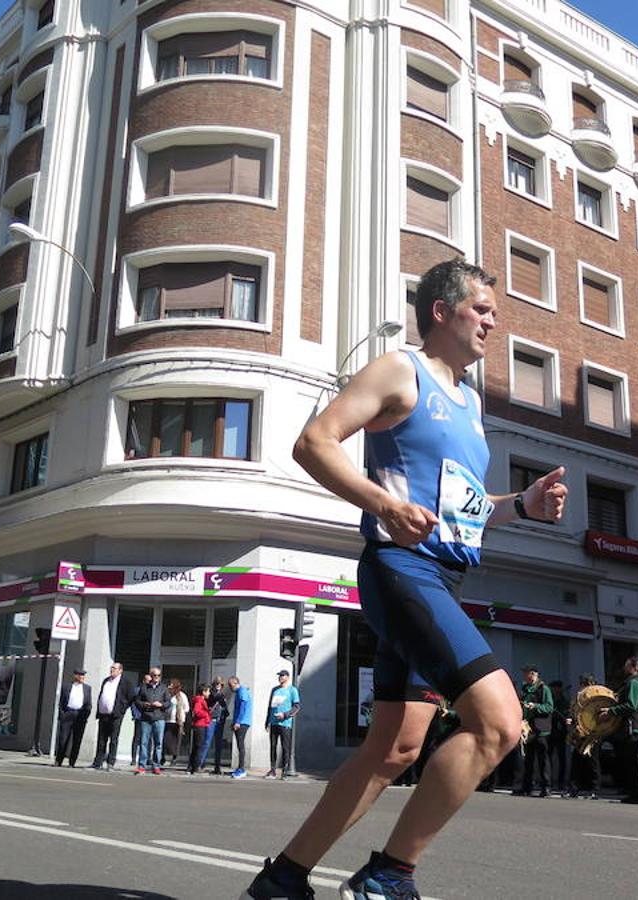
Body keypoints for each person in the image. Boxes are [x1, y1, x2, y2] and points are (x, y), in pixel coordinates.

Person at [242, 259, 567, 900]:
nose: (492, 323)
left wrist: (522, 505)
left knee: (394, 749)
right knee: (499, 723)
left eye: (494, 313)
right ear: (441, 311)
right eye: (482, 310)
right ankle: (390, 874)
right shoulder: (399, 370)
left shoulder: (472, 403)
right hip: (401, 571)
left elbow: (463, 508)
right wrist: (382, 503)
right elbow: (315, 442)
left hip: (446, 577)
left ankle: (284, 879)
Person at [600, 657, 638, 804]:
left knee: (633, 763)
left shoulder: (634, 682)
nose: (624, 667)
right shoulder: (636, 682)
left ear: (634, 667)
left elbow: (631, 706)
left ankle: (637, 794)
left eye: (626, 664)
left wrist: (610, 711)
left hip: (633, 727)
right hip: (635, 727)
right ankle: (634, 792)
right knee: (631, 762)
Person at [514, 664, 554, 797]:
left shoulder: (544, 688)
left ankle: (546, 788)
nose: (524, 675)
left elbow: (549, 707)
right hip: (528, 730)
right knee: (528, 759)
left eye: (526, 673)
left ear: (533, 674)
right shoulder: (525, 688)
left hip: (541, 729)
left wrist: (535, 706)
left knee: (543, 759)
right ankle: (526, 787)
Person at [91, 662, 136, 770]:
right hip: (103, 714)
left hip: (115, 715)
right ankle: (98, 761)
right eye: (111, 668)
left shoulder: (126, 682)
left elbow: (131, 697)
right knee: (101, 739)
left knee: (113, 739)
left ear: (120, 670)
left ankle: (111, 762)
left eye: (114, 668)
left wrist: (122, 709)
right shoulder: (106, 681)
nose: (112, 670)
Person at [566, 674, 602, 799]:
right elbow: (572, 711)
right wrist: (570, 719)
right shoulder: (578, 697)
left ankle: (595, 789)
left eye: (584, 683)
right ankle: (573, 788)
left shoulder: (597, 697)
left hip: (593, 733)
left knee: (592, 762)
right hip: (579, 733)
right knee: (576, 761)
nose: (582, 686)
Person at [266, 669, 301, 778]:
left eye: (282, 675)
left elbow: (297, 707)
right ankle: (272, 769)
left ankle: (285, 770)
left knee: (285, 747)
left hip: (285, 723)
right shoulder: (274, 690)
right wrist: (267, 721)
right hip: (274, 722)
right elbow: (270, 706)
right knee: (273, 746)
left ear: (287, 677)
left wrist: (285, 715)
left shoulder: (292, 690)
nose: (280, 677)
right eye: (279, 676)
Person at [134, 666, 170, 775]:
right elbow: (137, 701)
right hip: (146, 717)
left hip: (159, 718)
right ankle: (142, 766)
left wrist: (161, 705)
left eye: (159, 675)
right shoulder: (144, 687)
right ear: (151, 676)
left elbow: (168, 703)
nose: (157, 677)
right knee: (144, 742)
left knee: (158, 743)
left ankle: (156, 766)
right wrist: (144, 705)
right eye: (155, 675)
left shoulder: (163, 688)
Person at [55, 668, 92, 768]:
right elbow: (61, 701)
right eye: (80, 675)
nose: (82, 677)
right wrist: (62, 714)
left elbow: (88, 704)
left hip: (80, 716)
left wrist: (85, 716)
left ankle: (72, 762)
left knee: (77, 740)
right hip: (68, 714)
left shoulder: (87, 688)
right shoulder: (66, 686)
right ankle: (59, 760)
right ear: (75, 676)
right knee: (63, 739)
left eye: (83, 675)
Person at [198, 676, 229, 774]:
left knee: (218, 745)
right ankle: (200, 764)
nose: (218, 686)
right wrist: (222, 697)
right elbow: (214, 698)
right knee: (207, 742)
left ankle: (217, 766)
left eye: (220, 684)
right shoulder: (211, 693)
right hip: (211, 720)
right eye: (216, 683)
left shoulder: (222, 694)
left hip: (220, 720)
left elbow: (224, 707)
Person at [229, 675, 253, 779]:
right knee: (240, 745)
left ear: (235, 683)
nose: (230, 688)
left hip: (242, 722)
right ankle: (240, 767)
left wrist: (237, 722)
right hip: (240, 721)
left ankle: (242, 769)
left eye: (230, 685)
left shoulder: (242, 691)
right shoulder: (240, 692)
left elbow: (242, 708)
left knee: (241, 745)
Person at [547, 680, 570, 792]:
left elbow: (565, 714)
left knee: (562, 758)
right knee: (548, 757)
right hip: (550, 731)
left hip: (560, 732)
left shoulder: (563, 701)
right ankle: (548, 781)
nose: (553, 690)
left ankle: (561, 782)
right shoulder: (551, 699)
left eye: (555, 688)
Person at [163, 678, 190, 767]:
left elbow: (186, 708)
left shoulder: (182, 696)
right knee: (166, 740)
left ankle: (175, 758)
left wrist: (180, 715)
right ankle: (163, 757)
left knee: (176, 741)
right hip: (167, 720)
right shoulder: (167, 695)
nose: (169, 687)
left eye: (171, 685)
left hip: (178, 721)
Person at [187, 683, 213, 774]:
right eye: (208, 691)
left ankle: (192, 766)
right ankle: (196, 766)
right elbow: (197, 712)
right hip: (200, 725)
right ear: (203, 692)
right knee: (199, 746)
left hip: (201, 724)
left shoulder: (201, 700)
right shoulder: (199, 700)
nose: (209, 693)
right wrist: (206, 714)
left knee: (197, 746)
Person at [128, 672, 149, 768]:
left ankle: (147, 758)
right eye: (147, 680)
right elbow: (133, 703)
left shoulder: (151, 690)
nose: (149, 682)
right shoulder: (137, 690)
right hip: (139, 717)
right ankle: (133, 758)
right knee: (137, 738)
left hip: (149, 717)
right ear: (143, 681)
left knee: (148, 739)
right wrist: (135, 714)